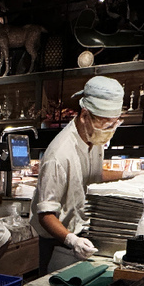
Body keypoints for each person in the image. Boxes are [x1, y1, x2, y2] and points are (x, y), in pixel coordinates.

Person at [32, 75, 124, 273]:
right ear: (84, 116)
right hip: (58, 241)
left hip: (84, 231)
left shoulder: (94, 137)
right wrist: (72, 240)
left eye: (114, 123)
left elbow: (94, 175)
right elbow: (45, 214)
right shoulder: (59, 154)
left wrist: (130, 175)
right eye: (105, 123)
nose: (109, 129)